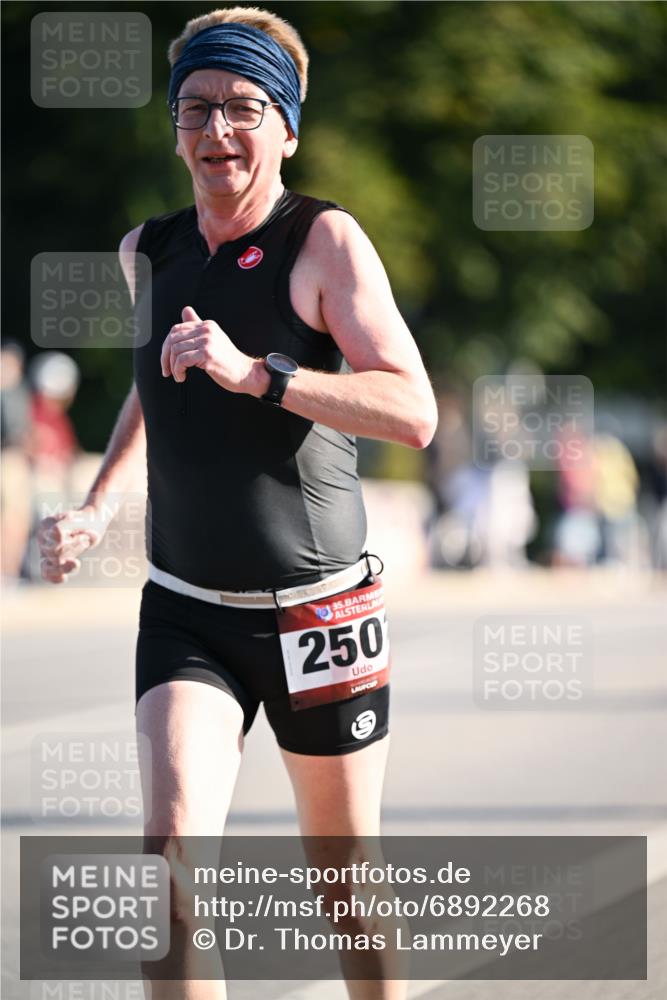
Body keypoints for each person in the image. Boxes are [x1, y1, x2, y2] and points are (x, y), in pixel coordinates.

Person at [37, 7, 437, 998]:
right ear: (174, 128)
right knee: (168, 870)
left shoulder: (325, 243)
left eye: (245, 108)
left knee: (344, 884)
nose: (219, 131)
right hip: (186, 612)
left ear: (288, 126)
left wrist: (259, 373)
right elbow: (150, 384)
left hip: (318, 612)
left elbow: (413, 409)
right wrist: (96, 504)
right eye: (197, 109)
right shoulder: (150, 249)